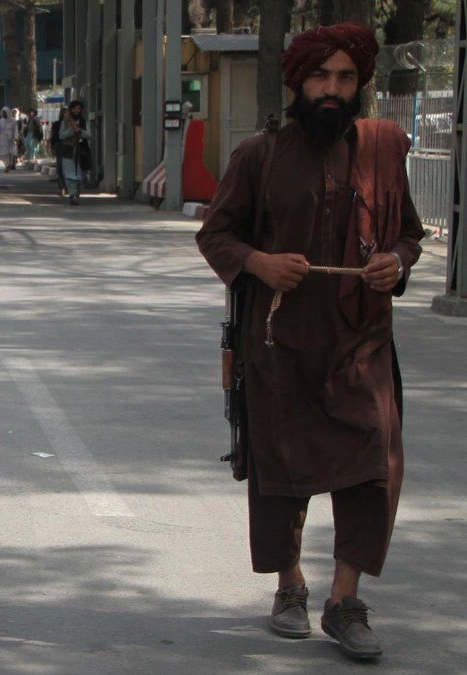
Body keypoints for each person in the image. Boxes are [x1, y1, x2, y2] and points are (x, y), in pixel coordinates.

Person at [195, 22, 423, 661]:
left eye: (345, 78)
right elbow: (216, 235)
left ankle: (344, 602)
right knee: (280, 469)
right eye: (321, 76)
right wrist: (260, 264)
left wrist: (397, 263)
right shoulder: (259, 156)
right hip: (279, 342)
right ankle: (289, 586)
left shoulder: (382, 150)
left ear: (359, 85)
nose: (332, 89)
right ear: (298, 82)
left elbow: (408, 235)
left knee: (373, 468)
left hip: (361, 341)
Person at [55, 101, 91, 205]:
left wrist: (80, 131)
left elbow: (89, 135)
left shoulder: (83, 122)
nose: (76, 110)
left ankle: (75, 194)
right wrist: (71, 130)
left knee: (79, 176)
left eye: (78, 109)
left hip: (81, 151)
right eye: (75, 108)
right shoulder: (65, 122)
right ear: (71, 109)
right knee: (70, 175)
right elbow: (61, 135)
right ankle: (73, 195)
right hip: (68, 151)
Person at [0, 107, 19, 172]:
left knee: (10, 153)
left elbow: (15, 130)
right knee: (3, 153)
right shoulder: (0, 121)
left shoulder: (13, 121)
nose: (4, 114)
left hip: (11, 139)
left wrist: (16, 138)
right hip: (2, 139)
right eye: (3, 113)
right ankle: (7, 165)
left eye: (5, 113)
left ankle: (10, 164)